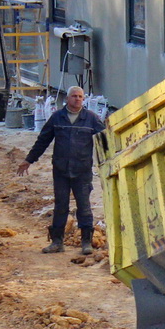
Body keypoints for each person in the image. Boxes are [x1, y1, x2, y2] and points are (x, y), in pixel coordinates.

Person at [16, 86, 105, 254]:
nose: (77, 99)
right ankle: (57, 242)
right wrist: (29, 160)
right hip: (61, 171)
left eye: (80, 97)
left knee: (84, 208)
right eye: (74, 96)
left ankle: (86, 243)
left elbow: (106, 141)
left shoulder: (91, 119)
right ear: (67, 99)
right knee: (60, 207)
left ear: (83, 100)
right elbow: (43, 140)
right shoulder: (57, 118)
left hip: (82, 171)